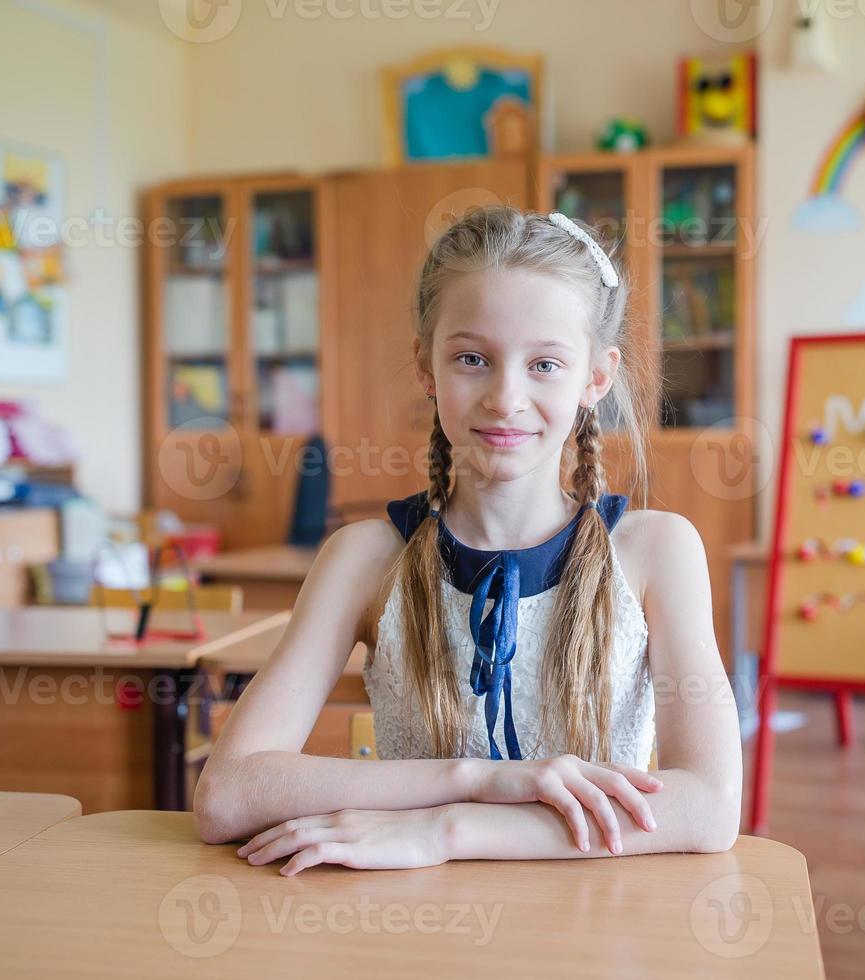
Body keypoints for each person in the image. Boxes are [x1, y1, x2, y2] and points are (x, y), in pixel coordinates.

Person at [195, 206, 741, 876]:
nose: (505, 396)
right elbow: (226, 793)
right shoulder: (365, 560)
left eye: (545, 363)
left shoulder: (657, 551)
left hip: (600, 924)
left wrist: (449, 830)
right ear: (426, 367)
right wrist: (472, 778)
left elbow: (709, 807)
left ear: (595, 379)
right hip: (415, 930)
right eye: (472, 358)